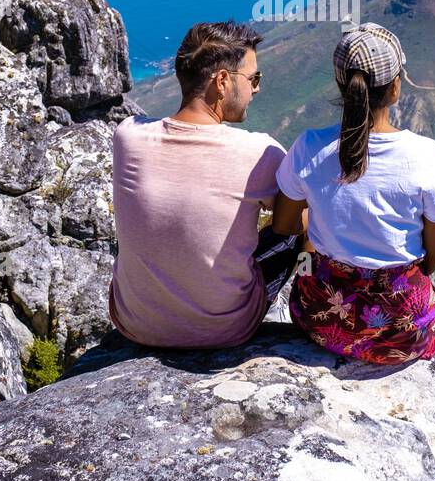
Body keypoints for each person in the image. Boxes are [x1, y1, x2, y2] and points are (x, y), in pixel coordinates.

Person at [108, 20, 305, 350]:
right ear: (223, 81)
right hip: (225, 329)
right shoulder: (259, 153)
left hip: (134, 323)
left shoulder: (127, 135)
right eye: (254, 78)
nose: (257, 88)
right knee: (295, 229)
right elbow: (299, 222)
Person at [272, 23, 435, 365]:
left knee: (311, 256)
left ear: (342, 86)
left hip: (322, 319)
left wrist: (320, 230)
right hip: (403, 333)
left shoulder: (309, 146)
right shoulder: (428, 155)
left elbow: (283, 225)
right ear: (396, 88)